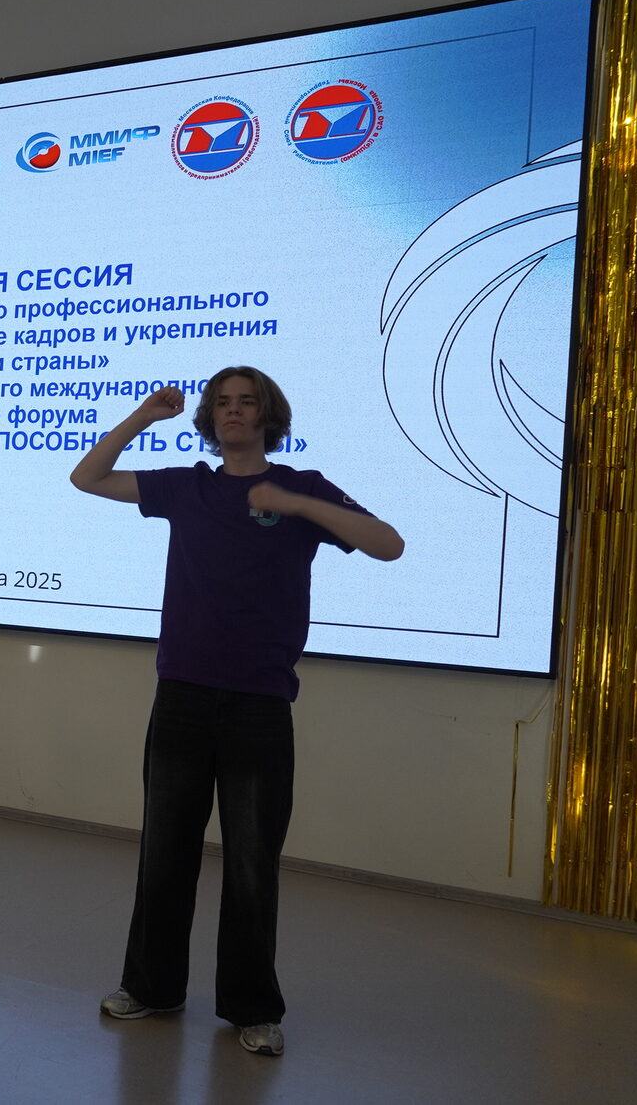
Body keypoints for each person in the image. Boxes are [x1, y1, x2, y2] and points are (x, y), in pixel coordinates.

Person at [69, 367, 404, 1057]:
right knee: (165, 852)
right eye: (222, 402)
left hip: (259, 702)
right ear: (209, 417)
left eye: (246, 402)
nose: (232, 411)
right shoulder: (187, 486)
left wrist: (297, 503)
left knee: (252, 862)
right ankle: (152, 986)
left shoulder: (304, 488)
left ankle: (253, 1007)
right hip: (182, 696)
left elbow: (388, 543)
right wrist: (142, 417)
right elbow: (87, 477)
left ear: (267, 415)